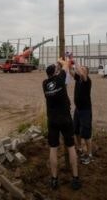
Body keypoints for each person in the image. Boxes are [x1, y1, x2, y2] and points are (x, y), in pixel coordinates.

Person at [42, 57, 81, 190]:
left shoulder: (45, 84)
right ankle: (75, 178)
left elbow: (57, 73)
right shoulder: (60, 79)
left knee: (53, 149)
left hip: (52, 120)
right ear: (56, 72)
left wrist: (57, 67)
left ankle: (54, 179)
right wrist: (61, 61)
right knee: (70, 147)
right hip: (65, 119)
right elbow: (66, 65)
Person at [70, 65, 93, 164]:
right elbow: (71, 72)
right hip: (78, 109)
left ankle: (89, 154)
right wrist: (69, 63)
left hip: (85, 110)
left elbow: (82, 74)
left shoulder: (87, 81)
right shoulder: (78, 78)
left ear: (86, 72)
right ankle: (80, 149)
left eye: (83, 69)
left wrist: (76, 64)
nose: (80, 70)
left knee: (86, 134)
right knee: (76, 131)